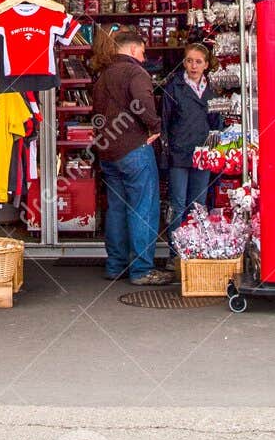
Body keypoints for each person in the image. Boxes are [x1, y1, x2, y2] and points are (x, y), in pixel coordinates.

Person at [90, 28, 169, 285]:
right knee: (143, 208)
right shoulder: (136, 72)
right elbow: (144, 102)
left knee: (117, 209)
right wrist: (155, 127)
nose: (144, 58)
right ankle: (142, 270)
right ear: (134, 49)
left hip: (108, 151)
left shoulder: (102, 75)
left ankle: (116, 265)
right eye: (143, 52)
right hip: (134, 148)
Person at [162, 42, 215, 233]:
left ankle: (196, 252)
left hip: (203, 153)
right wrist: (166, 152)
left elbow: (216, 123)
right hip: (179, 153)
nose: (194, 66)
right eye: (189, 61)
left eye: (198, 62)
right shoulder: (173, 87)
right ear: (184, 63)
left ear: (206, 65)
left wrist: (214, 149)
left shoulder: (212, 89)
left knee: (198, 204)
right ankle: (175, 253)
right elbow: (165, 122)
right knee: (177, 204)